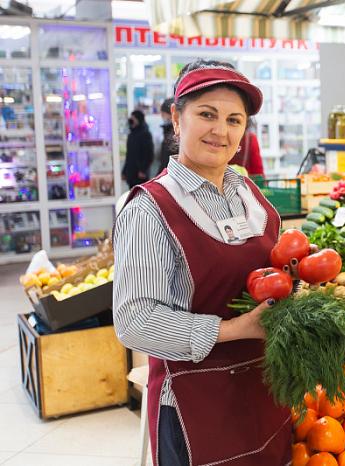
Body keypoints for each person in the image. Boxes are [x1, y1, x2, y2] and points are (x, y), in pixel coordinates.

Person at [113, 59, 290, 465]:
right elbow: (134, 322)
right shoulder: (150, 209)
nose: (221, 131)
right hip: (196, 406)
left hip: (265, 391)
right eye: (206, 114)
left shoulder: (248, 192)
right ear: (177, 119)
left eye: (234, 119)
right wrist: (234, 329)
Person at [122, 110, 155, 188]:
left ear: (139, 120)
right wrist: (124, 171)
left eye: (133, 118)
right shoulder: (131, 135)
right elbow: (128, 155)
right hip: (131, 173)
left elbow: (149, 154)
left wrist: (143, 170)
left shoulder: (145, 134)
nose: (131, 120)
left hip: (140, 175)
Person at [157, 97, 177, 175]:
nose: (162, 116)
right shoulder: (168, 130)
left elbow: (166, 159)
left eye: (163, 114)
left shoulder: (173, 133)